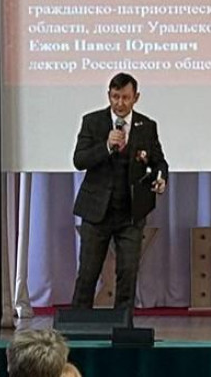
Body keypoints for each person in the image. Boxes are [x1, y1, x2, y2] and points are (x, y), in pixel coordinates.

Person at [71, 72, 169, 309]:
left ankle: (123, 325)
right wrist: (106, 146)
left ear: (136, 97)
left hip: (130, 213)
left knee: (128, 274)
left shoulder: (147, 126)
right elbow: (79, 160)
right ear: (109, 95)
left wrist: (161, 178)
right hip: (97, 211)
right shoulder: (93, 121)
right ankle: (78, 325)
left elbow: (159, 162)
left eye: (125, 97)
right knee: (88, 273)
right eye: (115, 97)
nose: (120, 103)